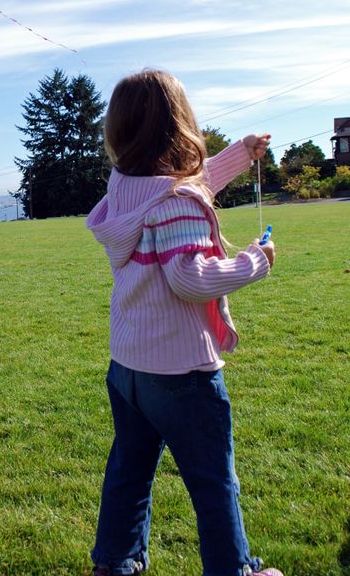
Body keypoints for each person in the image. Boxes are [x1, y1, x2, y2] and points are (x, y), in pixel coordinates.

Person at [86, 69, 283, 576]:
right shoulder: (177, 204)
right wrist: (255, 260)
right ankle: (233, 569)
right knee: (213, 480)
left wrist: (242, 151)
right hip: (181, 373)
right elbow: (189, 278)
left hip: (127, 367)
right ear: (181, 125)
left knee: (129, 470)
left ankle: (115, 562)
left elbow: (191, 184)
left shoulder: (127, 190)